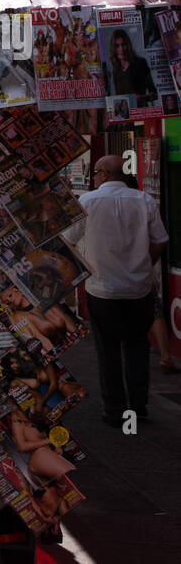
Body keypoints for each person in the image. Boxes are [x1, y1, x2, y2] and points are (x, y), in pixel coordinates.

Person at [63, 155, 169, 425]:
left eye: (96, 173)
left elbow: (68, 241)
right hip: (138, 289)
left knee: (107, 349)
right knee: (137, 347)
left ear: (105, 174)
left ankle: (114, 409)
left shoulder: (87, 201)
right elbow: (160, 241)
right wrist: (147, 265)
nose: (94, 178)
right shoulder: (143, 200)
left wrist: (85, 265)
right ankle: (138, 405)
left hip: (102, 290)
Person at [107, 28, 157, 105]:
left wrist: (142, 97)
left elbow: (154, 95)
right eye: (117, 46)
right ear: (113, 48)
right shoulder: (115, 69)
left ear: (128, 45)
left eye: (124, 44)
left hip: (140, 110)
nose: (121, 49)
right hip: (124, 114)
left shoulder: (140, 63)